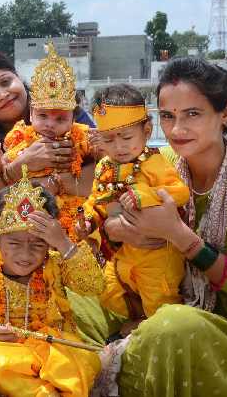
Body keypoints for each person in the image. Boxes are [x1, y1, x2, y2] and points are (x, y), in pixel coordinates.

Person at [72, 58, 227, 396]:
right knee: (71, 298)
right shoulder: (155, 162)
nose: (177, 129)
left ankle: (85, 367)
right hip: (142, 292)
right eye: (168, 116)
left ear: (225, 113)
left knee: (171, 326)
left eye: (192, 114)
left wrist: (179, 237)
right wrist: (115, 232)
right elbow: (109, 211)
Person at [0, 168, 104, 397]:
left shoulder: (56, 264)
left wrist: (63, 243)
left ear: (49, 242)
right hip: (10, 356)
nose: (26, 254)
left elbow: (93, 285)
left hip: (55, 352)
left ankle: (3, 392)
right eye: (14, 243)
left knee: (88, 359)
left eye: (37, 243)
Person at [0, 50, 85, 266]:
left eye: (5, 82)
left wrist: (56, 182)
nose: (2, 94)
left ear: (18, 77)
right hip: (10, 251)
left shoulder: (63, 111)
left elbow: (101, 172)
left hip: (69, 237)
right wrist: (18, 167)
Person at [81, 84, 189, 322]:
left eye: (126, 137)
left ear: (147, 130)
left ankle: (150, 337)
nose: (118, 147)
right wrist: (87, 219)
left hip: (156, 257)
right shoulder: (104, 166)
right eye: (108, 140)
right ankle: (131, 325)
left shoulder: (154, 162)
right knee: (107, 292)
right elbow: (96, 200)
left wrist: (145, 195)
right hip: (122, 255)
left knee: (160, 307)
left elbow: (180, 192)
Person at [0, 43, 94, 243]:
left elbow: (102, 154)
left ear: (72, 120)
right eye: (43, 116)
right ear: (31, 113)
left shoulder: (79, 136)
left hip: (70, 210)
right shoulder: (21, 137)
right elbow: (4, 171)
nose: (50, 125)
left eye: (60, 119)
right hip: (31, 212)